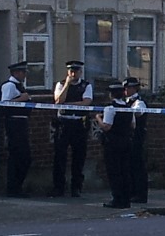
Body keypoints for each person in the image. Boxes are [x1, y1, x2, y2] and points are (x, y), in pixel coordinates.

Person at [51, 60, 91, 197]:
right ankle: (59, 187)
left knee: (79, 157)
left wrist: (69, 104)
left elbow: (86, 102)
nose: (73, 74)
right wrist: (67, 85)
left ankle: (76, 187)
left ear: (80, 72)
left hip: (78, 123)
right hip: (63, 123)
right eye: (71, 71)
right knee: (60, 156)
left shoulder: (86, 85)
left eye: (76, 71)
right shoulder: (61, 84)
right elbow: (58, 101)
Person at [97, 80, 136, 209]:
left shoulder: (110, 108)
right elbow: (133, 125)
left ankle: (117, 199)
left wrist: (98, 119)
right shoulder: (128, 108)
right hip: (126, 142)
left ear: (111, 94)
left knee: (114, 172)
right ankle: (126, 199)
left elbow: (107, 126)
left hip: (113, 143)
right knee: (125, 171)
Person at [0, 61, 32, 195]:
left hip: (21, 123)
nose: (24, 75)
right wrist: (22, 98)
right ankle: (13, 188)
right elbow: (5, 104)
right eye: (23, 72)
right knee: (18, 156)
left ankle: (17, 186)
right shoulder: (9, 86)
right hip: (14, 123)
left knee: (24, 157)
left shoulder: (18, 86)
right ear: (16, 73)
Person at [123, 77, 151, 205]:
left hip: (137, 138)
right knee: (129, 166)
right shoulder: (127, 101)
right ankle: (132, 192)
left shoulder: (139, 102)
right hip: (129, 138)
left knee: (138, 167)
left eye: (127, 88)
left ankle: (140, 194)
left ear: (134, 88)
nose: (125, 90)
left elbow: (137, 114)